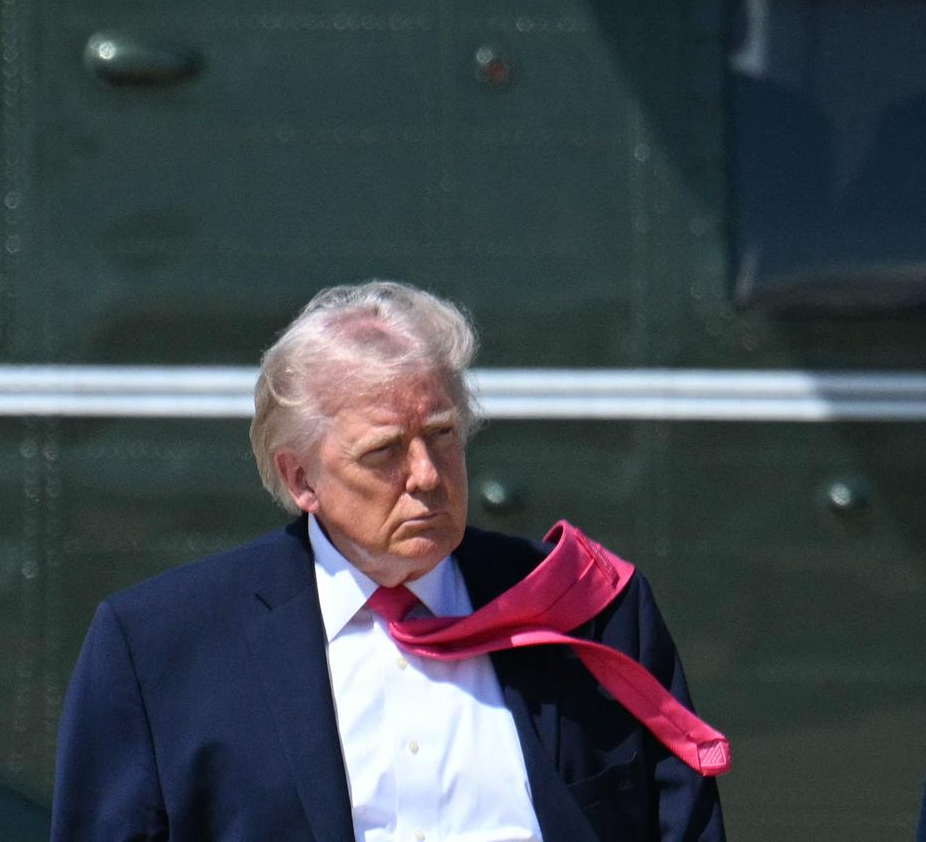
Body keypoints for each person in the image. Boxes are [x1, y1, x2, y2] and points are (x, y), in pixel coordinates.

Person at [52, 281, 727, 841]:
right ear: (300, 478)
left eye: (442, 435)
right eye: (383, 452)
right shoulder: (160, 648)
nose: (427, 475)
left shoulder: (586, 608)